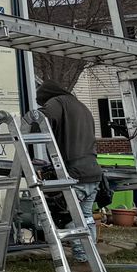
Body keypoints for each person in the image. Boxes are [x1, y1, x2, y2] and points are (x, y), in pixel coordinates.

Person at [35, 79, 106, 224]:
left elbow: (38, 120)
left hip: (75, 174)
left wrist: (22, 131)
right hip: (93, 173)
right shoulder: (81, 106)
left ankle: (79, 248)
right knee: (86, 218)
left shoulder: (56, 103)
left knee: (72, 220)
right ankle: (90, 247)